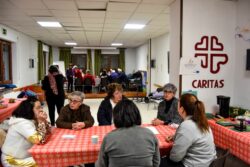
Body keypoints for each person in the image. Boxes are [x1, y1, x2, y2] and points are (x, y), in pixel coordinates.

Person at [96, 99, 160, 167]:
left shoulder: (109, 138)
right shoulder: (150, 134)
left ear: (116, 117)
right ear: (137, 114)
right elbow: (156, 162)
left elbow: (101, 165)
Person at [160, 93, 216, 167]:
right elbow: (194, 136)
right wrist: (175, 137)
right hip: (207, 162)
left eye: (178, 104)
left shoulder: (187, 125)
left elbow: (175, 158)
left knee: (157, 161)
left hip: (194, 164)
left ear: (182, 109)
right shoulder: (202, 121)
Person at [1, 96, 50, 167]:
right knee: (45, 162)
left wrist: (43, 121)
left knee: (47, 160)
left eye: (41, 107)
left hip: (23, 156)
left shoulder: (31, 120)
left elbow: (48, 132)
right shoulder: (22, 123)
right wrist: (41, 121)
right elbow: (40, 140)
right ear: (29, 109)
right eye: (38, 108)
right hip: (13, 160)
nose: (41, 110)